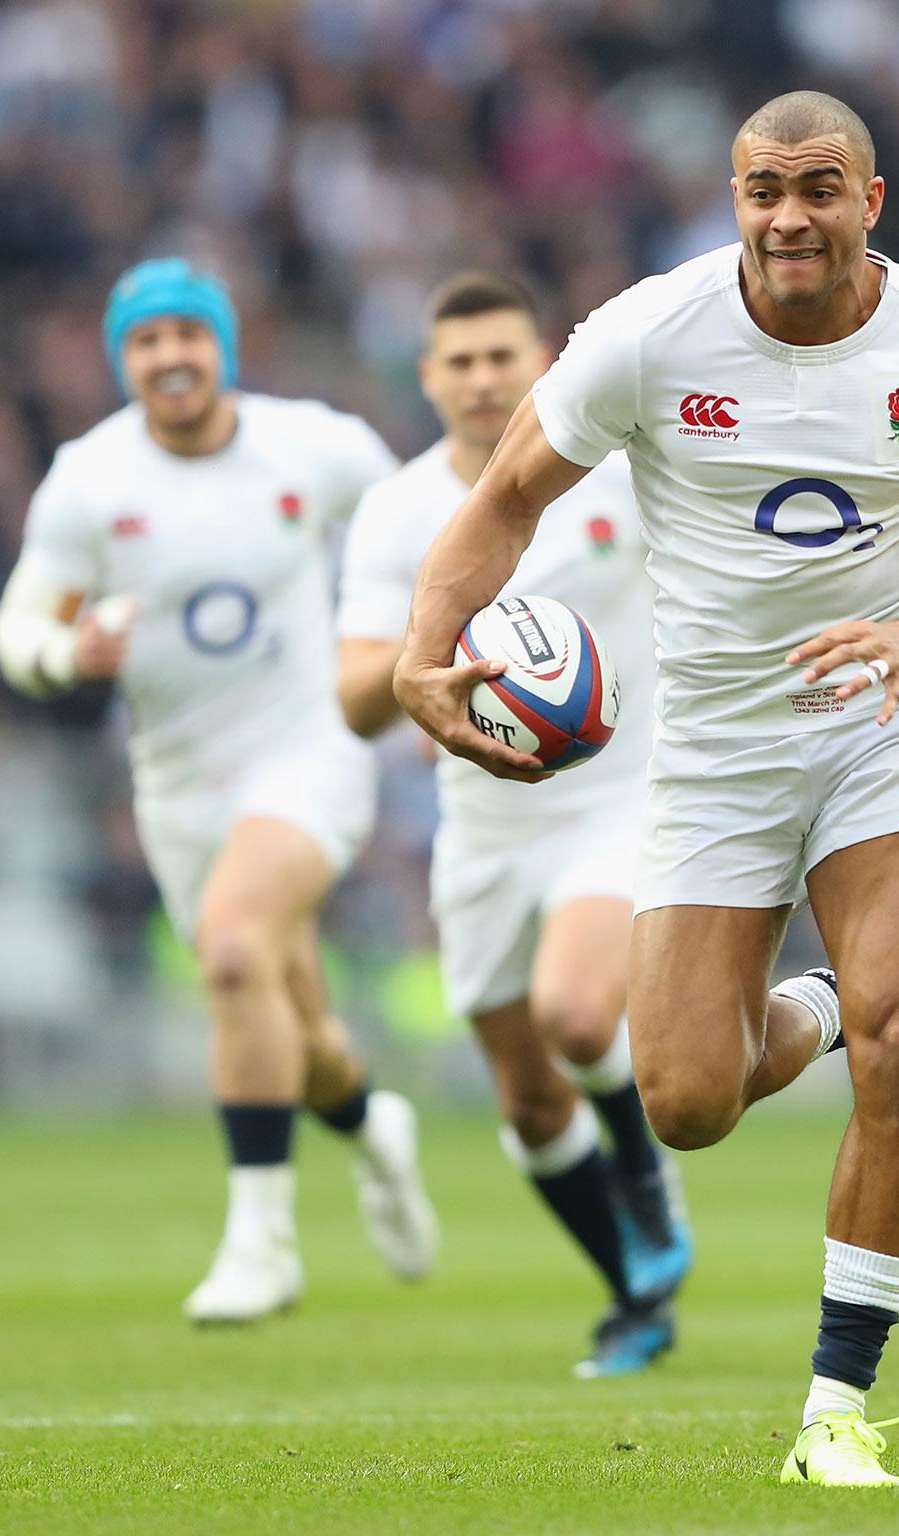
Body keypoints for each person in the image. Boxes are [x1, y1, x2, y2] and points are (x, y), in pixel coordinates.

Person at [391, 93, 899, 1485]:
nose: (789, 218)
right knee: (687, 1098)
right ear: (733, 195)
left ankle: (836, 1409)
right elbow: (508, 495)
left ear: (870, 199)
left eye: (820, 188)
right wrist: (420, 657)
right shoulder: (649, 332)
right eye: (764, 190)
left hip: (886, 724)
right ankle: (820, 1006)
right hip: (713, 751)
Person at [0, 258, 438, 1325]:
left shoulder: (313, 446)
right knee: (285, 1018)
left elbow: (421, 540)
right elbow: (17, 630)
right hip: (178, 787)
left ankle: (261, 1241)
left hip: (308, 751)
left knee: (232, 948)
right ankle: (371, 1124)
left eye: (187, 335)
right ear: (122, 360)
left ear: (221, 347)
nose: (169, 357)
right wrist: (66, 653)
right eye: (146, 342)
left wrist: (421, 671)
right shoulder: (89, 480)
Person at [336, 271, 691, 1377]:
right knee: (529, 1102)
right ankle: (633, 1294)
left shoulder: (616, 473)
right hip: (482, 829)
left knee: (578, 1019)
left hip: (619, 796)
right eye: (460, 360)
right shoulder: (398, 513)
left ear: (542, 363)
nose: (484, 378)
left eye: (503, 356)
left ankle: (642, 1172)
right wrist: (415, 674)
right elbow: (353, 697)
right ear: (428, 377)